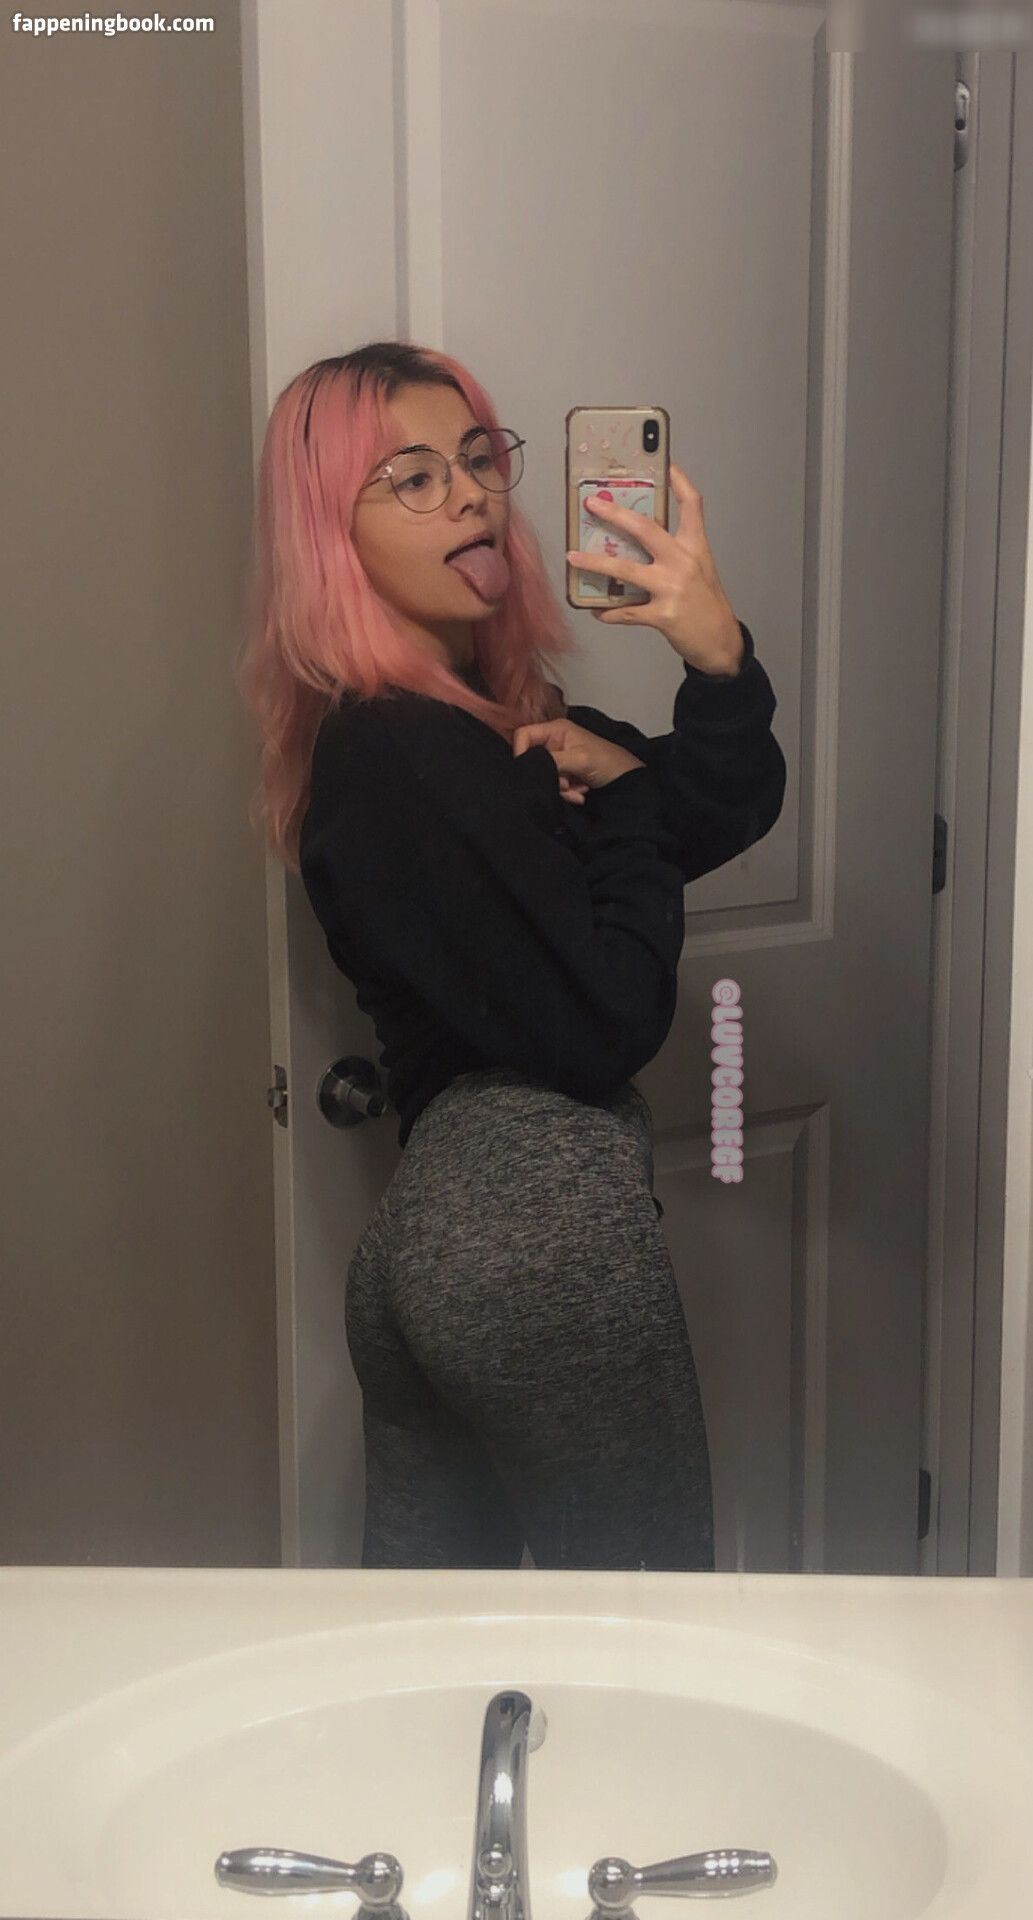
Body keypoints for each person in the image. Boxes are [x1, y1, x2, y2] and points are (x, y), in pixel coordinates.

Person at [235, 340, 787, 1572]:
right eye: (414, 478)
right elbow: (602, 1022)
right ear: (332, 535)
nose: (473, 496)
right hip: (533, 1220)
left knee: (435, 1637)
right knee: (642, 1622)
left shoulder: (498, 732)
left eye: (479, 459)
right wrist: (625, 797)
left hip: (445, 1227)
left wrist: (715, 661)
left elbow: (722, 806)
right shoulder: (403, 752)